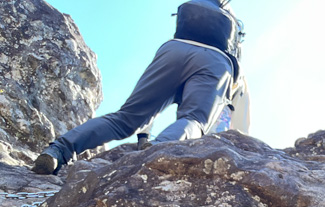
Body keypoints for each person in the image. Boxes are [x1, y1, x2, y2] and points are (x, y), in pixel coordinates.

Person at [32, 0, 246, 176]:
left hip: (174, 49)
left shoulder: (200, 6)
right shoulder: (234, 24)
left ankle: (58, 150)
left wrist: (143, 135)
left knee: (125, 118)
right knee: (193, 119)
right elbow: (239, 110)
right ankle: (156, 152)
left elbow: (150, 108)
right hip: (216, 60)